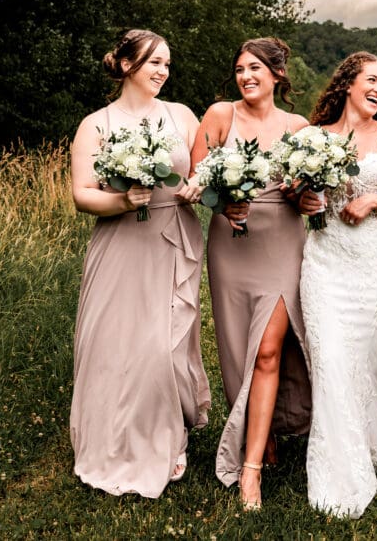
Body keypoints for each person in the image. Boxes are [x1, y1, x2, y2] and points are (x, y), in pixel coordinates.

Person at [68, 29, 209, 498]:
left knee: (161, 345)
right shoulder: (96, 124)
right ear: (127, 64)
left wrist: (198, 187)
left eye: (167, 63)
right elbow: (83, 195)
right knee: (111, 343)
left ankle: (168, 437)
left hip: (170, 239)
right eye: (154, 62)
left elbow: (206, 173)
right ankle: (108, 439)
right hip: (120, 244)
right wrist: (123, 201)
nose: (163, 71)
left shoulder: (183, 116)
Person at [294, 51, 377, 519]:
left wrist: (374, 199)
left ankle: (376, 438)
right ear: (348, 83)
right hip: (325, 262)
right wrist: (306, 199)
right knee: (330, 358)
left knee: (373, 359)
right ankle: (338, 472)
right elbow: (296, 199)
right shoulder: (310, 138)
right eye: (372, 79)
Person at [191, 37, 312, 511]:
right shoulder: (220, 116)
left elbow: (307, 193)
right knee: (237, 349)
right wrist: (224, 201)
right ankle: (263, 436)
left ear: (278, 75)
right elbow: (196, 183)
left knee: (267, 350)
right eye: (240, 69)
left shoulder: (298, 127)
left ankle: (251, 470)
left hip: (282, 242)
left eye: (256, 68)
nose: (246, 77)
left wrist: (310, 199)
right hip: (231, 243)